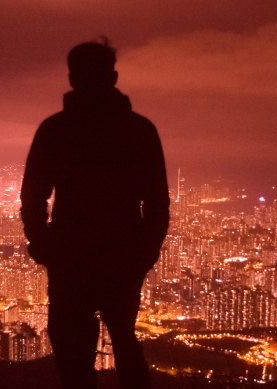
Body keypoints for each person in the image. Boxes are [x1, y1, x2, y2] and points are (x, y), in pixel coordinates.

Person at [20, 40, 169, 389]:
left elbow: (33, 196)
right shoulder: (140, 130)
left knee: (72, 354)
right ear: (113, 77)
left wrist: (43, 244)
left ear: (72, 79)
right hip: (122, 255)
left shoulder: (55, 129)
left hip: (70, 256)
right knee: (125, 342)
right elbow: (157, 203)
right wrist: (145, 253)